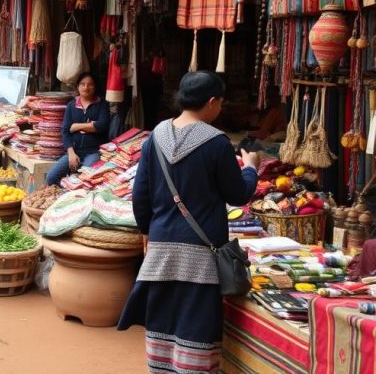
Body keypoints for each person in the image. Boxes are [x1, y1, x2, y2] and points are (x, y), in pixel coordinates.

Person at [118, 71, 259, 374]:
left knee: (163, 321)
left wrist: (147, 232)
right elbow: (238, 195)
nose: (220, 108)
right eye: (220, 102)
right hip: (201, 254)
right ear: (211, 102)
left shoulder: (154, 137)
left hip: (162, 248)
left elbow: (139, 195)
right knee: (196, 324)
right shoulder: (217, 143)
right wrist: (250, 169)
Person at [46, 72, 111, 186]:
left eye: (90, 84)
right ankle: (67, 192)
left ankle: (75, 192)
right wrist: (71, 153)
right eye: (82, 84)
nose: (86, 87)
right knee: (51, 177)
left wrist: (76, 126)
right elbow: (66, 131)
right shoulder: (71, 105)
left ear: (95, 87)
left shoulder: (102, 105)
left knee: (86, 179)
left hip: (93, 152)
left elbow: (102, 126)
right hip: (74, 151)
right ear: (78, 86)